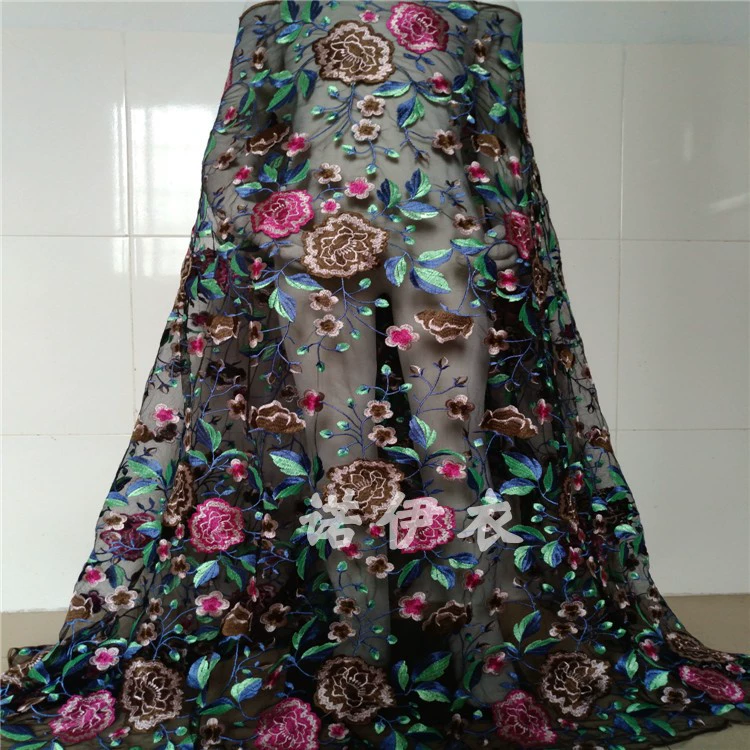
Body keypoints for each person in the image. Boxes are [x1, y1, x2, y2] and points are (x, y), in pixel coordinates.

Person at [2, 2, 748, 749]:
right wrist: (255, 226)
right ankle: (356, 652)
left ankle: (478, 654)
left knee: (454, 454)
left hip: (446, 235)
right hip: (311, 238)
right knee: (345, 457)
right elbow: (234, 141)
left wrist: (507, 232)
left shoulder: (473, 23)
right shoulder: (283, 22)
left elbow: (503, 140)